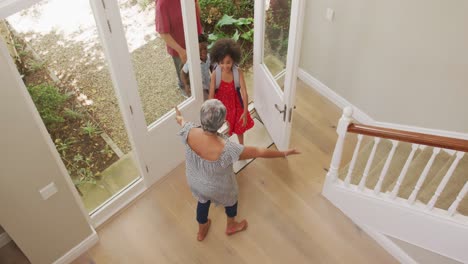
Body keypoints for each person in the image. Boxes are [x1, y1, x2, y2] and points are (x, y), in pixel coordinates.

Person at [175, 100, 300, 241]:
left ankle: (201, 230)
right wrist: (283, 153)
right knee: (231, 199)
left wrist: (179, 116)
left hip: (195, 180)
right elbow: (260, 151)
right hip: (217, 187)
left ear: (201, 117)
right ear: (222, 123)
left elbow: (181, 121)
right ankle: (231, 225)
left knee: (202, 201)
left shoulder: (189, 130)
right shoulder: (228, 149)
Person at [208, 38, 253, 145]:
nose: (225, 66)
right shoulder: (216, 74)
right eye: (221, 62)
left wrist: (245, 111)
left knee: (239, 128)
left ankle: (241, 146)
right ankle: (225, 146)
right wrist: (212, 111)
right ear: (217, 61)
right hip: (221, 106)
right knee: (223, 128)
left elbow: (244, 93)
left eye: (228, 62)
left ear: (233, 59)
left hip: (235, 104)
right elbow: (211, 95)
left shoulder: (238, 72)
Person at [155, 0, 203, 91]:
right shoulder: (162, 4)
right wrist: (181, 51)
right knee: (185, 78)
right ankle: (185, 89)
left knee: (200, 68)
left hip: (195, 39)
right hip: (179, 49)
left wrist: (198, 32)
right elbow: (163, 33)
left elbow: (196, 6)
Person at [180, 34, 211, 99]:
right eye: (200, 50)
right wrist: (186, 85)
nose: (203, 51)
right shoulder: (192, 61)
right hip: (199, 88)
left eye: (205, 48)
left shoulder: (209, 57)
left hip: (208, 83)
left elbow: (211, 66)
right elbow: (183, 72)